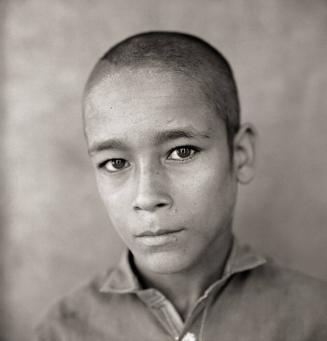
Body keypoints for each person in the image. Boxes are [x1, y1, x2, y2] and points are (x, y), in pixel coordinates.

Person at [35, 31, 327, 341]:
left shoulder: (314, 319)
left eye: (181, 152)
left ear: (240, 155)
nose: (147, 197)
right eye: (116, 163)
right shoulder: (64, 331)